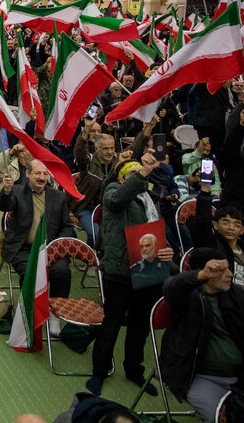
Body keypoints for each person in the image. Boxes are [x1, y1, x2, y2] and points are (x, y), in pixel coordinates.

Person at [87, 154, 176, 397]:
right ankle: (99, 371)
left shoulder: (148, 199)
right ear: (123, 177)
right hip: (119, 269)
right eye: (134, 174)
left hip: (147, 269)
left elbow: (155, 232)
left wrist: (168, 253)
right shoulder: (112, 193)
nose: (141, 178)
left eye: (143, 174)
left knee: (140, 325)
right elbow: (118, 199)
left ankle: (133, 369)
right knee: (112, 323)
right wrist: (143, 172)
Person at [160, 249, 244, 423]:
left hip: (238, 377)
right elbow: (170, 287)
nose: (230, 275)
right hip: (199, 377)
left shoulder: (235, 295)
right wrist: (199, 275)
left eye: (230, 269)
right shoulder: (189, 299)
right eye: (223, 271)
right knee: (222, 419)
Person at [0, 160, 74, 297]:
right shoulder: (16, 191)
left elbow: (67, 226)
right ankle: (27, 314)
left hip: (51, 249)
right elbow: (4, 206)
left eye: (45, 174)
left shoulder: (59, 196)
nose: (42, 178)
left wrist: (57, 246)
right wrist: (7, 191)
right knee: (30, 274)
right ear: (27, 173)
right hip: (23, 249)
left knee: (62, 273)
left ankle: (55, 315)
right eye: (37, 173)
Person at [72, 119, 126, 249]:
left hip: (110, 208)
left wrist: (146, 131)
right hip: (87, 208)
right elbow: (79, 151)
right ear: (97, 149)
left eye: (112, 148)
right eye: (105, 149)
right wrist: (85, 131)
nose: (109, 152)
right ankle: (91, 256)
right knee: (95, 235)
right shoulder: (88, 163)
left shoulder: (118, 161)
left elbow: (135, 148)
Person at [190, 175, 244, 287]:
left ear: (242, 230)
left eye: (236, 224)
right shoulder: (211, 245)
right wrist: (205, 189)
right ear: (215, 225)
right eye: (225, 222)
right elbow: (202, 222)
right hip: (228, 298)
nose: (231, 227)